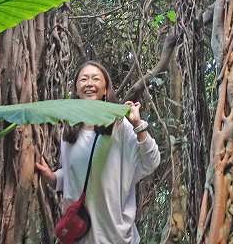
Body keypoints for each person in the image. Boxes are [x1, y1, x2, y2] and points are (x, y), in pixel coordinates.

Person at [35, 61, 160, 243]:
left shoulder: (120, 126)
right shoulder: (70, 129)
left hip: (115, 237)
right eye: (83, 79)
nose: (89, 83)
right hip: (80, 235)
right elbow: (72, 174)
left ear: (105, 89)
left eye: (95, 79)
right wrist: (53, 178)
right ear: (76, 89)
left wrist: (138, 125)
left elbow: (152, 161)